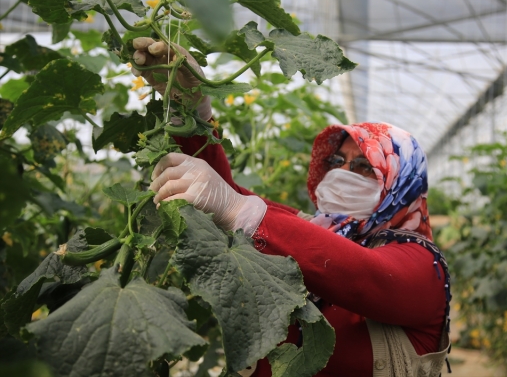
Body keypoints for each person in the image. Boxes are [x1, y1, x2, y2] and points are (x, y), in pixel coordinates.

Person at [133, 39, 451, 377]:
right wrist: (193, 108)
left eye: (363, 166)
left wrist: (241, 210)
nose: (342, 173)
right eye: (336, 161)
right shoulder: (311, 229)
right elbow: (228, 195)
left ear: (401, 186)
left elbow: (365, 274)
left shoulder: (424, 268)